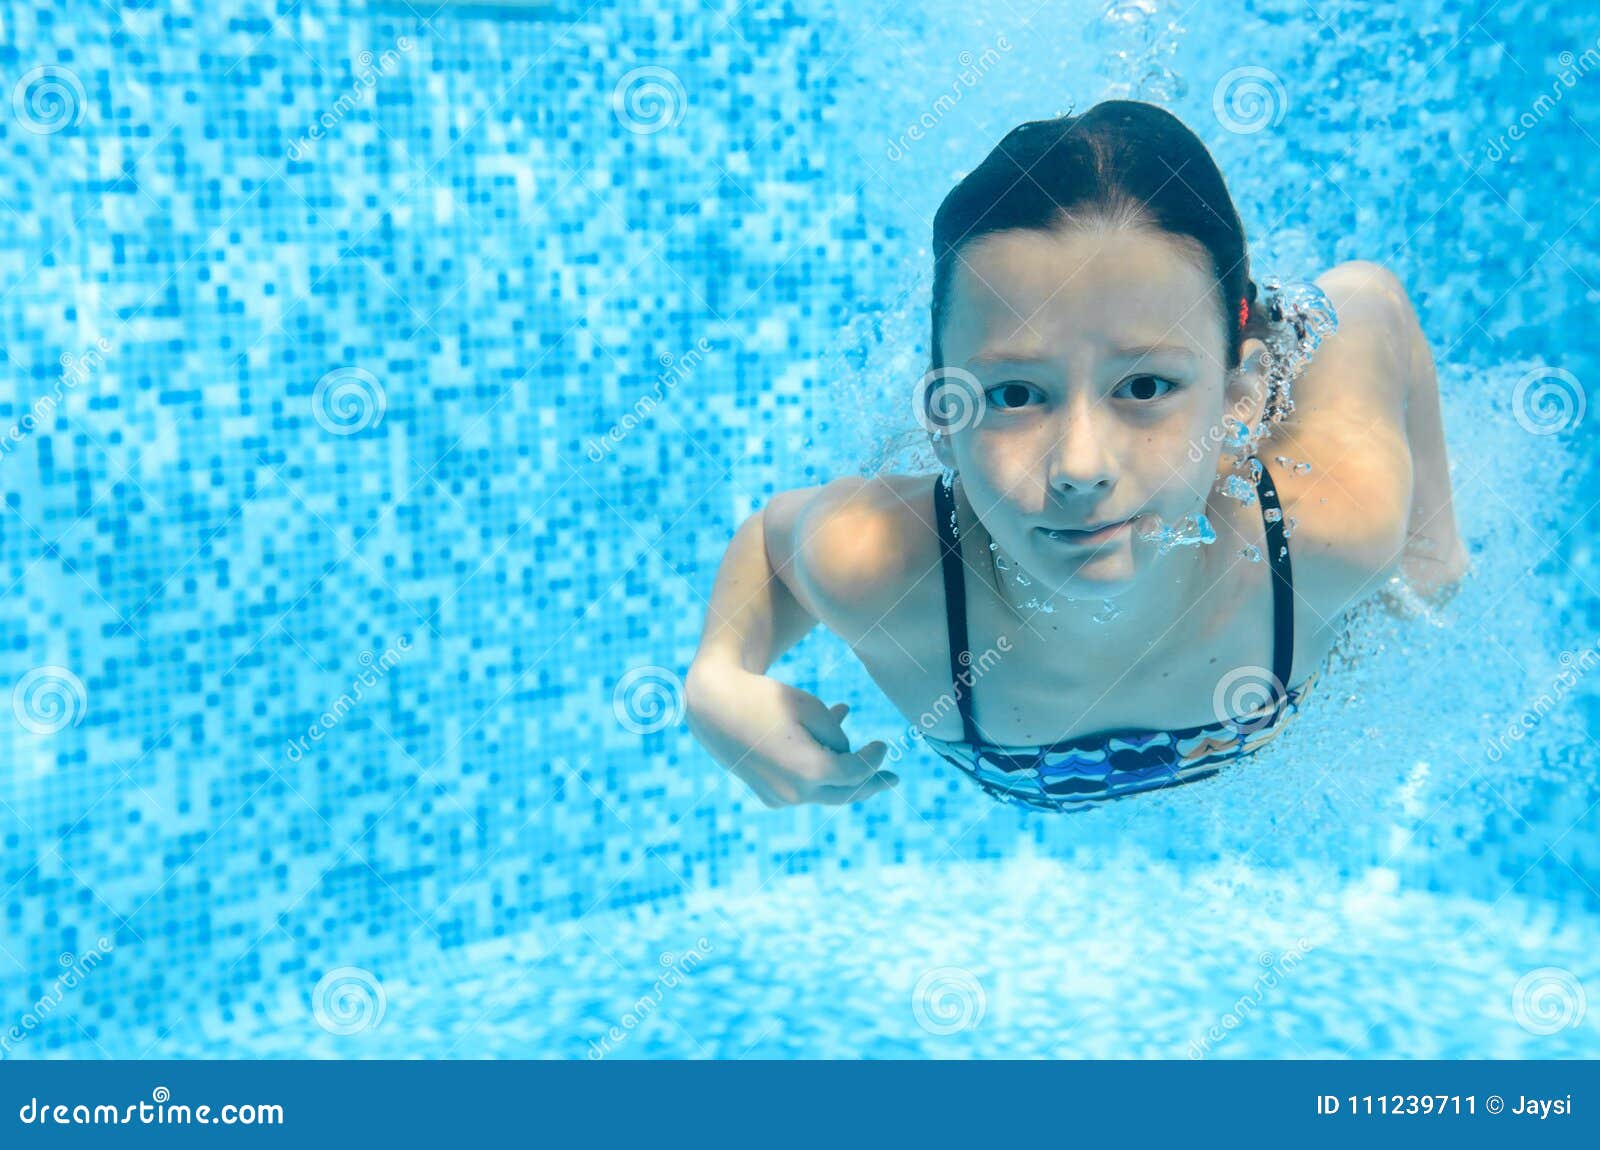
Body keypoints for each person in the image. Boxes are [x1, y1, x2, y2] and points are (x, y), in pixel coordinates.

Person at [684, 100, 1466, 811]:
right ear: (943, 421)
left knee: (1429, 578)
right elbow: (771, 543)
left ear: (1238, 400)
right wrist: (714, 679)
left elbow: (1370, 303)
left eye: (1147, 385)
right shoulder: (883, 565)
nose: (1080, 467)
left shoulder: (1334, 532)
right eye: (1017, 396)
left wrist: (1435, 550)